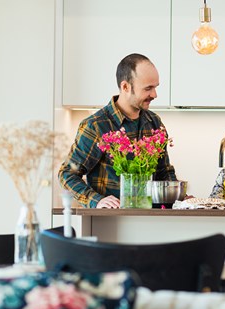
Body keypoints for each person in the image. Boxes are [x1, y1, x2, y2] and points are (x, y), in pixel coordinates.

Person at [59, 53, 177, 209]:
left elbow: (164, 172)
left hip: (150, 219)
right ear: (125, 87)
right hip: (110, 221)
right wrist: (96, 200)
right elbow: (67, 174)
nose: (154, 94)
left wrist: (181, 198)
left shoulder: (154, 122)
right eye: (148, 88)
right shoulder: (96, 125)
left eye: (155, 87)